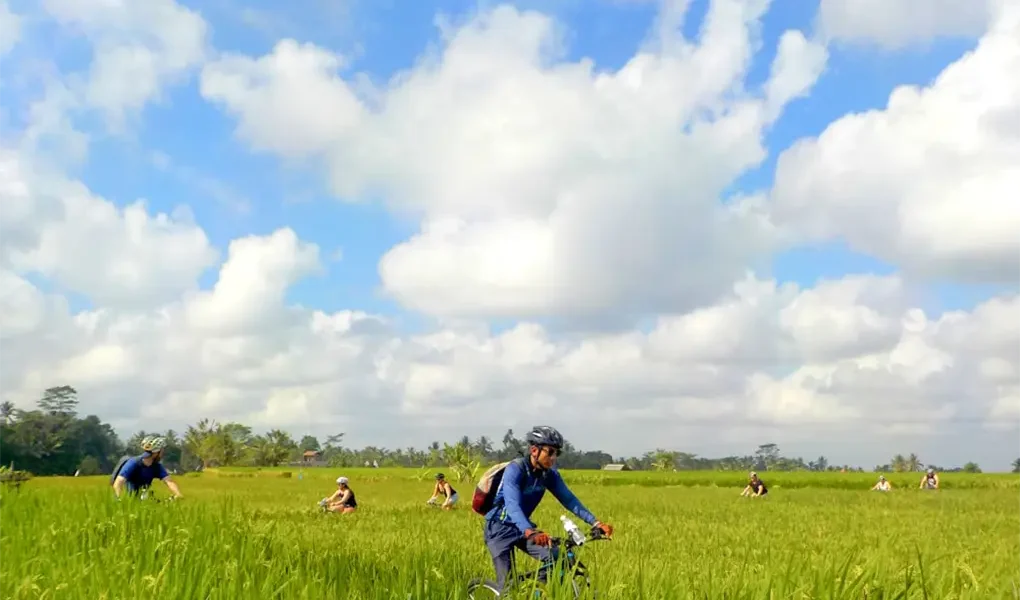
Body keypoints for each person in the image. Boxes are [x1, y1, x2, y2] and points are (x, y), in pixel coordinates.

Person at [482, 425, 614, 593]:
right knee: (508, 588)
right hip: (498, 529)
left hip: (522, 529)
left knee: (558, 559)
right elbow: (512, 504)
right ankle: (508, 590)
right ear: (534, 450)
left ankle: (537, 591)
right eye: (550, 452)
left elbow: (569, 499)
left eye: (556, 453)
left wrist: (596, 522)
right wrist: (530, 531)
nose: (553, 458)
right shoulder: (515, 470)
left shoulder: (548, 475)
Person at [112, 436, 183, 500]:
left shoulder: (156, 466)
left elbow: (169, 481)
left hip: (145, 499)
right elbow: (118, 482)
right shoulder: (133, 463)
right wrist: (119, 498)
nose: (162, 453)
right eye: (162, 451)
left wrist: (178, 494)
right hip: (131, 500)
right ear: (156, 452)